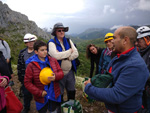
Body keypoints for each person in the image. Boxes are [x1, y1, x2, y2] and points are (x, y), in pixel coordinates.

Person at [84, 26, 149, 113]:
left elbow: (116, 95)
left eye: (114, 38)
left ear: (125, 40)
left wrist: (89, 87)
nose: (112, 41)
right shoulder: (118, 57)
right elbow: (110, 79)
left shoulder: (135, 65)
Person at [24, 40, 64, 113]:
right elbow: (27, 82)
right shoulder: (31, 65)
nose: (45, 52)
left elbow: (61, 72)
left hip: (53, 94)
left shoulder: (53, 60)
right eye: (42, 50)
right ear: (36, 52)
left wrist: (56, 76)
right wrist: (39, 92)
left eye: (46, 49)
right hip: (41, 97)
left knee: (54, 110)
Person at [48, 22, 79, 101]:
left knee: (71, 90)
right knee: (60, 92)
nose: (62, 32)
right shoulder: (52, 42)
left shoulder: (68, 40)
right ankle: (60, 107)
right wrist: (69, 51)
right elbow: (55, 56)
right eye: (59, 30)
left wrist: (66, 57)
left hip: (70, 71)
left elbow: (76, 53)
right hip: (59, 72)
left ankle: (70, 106)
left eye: (63, 30)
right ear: (55, 32)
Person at [17, 33, 37, 113]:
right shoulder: (22, 53)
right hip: (26, 77)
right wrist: (20, 77)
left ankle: (42, 107)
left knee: (39, 93)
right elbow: (19, 65)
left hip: (37, 77)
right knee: (26, 93)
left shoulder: (38, 51)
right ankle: (26, 107)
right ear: (25, 43)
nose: (31, 43)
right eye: (28, 42)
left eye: (32, 41)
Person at [136, 26, 150, 113]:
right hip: (144, 90)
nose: (136, 43)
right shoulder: (142, 52)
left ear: (147, 39)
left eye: (139, 40)